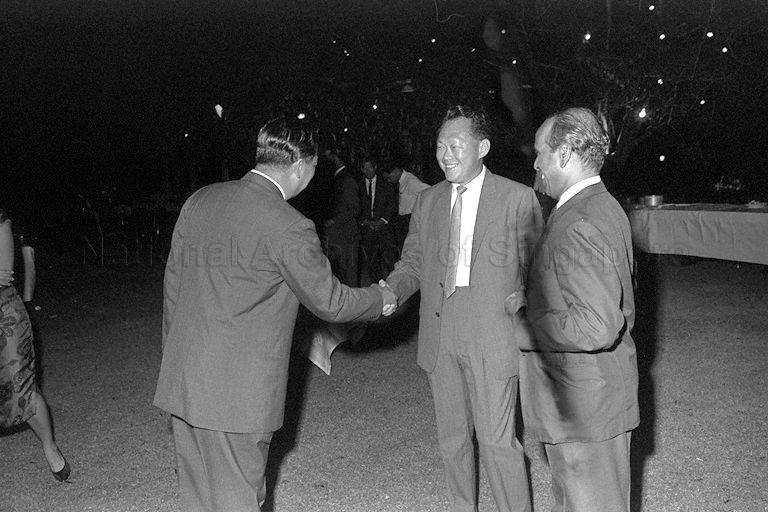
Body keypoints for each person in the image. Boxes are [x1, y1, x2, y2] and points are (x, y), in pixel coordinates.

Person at [153, 117, 397, 512]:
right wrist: (378, 298)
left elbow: (172, 291)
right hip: (236, 398)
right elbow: (330, 301)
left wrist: (175, 362)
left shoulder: (200, 200)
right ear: (302, 167)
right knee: (239, 502)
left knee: (197, 501)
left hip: (184, 382)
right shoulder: (289, 225)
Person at [383, 105, 543, 512]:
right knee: (452, 440)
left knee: (497, 442)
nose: (446, 154)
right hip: (441, 331)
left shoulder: (518, 198)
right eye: (440, 146)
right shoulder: (428, 201)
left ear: (483, 147)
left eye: (455, 145)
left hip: (493, 332)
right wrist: (388, 293)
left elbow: (538, 275)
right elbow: (414, 264)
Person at [518, 107, 639, 512]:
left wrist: (523, 324)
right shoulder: (593, 206)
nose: (536, 164)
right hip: (582, 406)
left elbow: (597, 325)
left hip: (585, 411)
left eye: (540, 153)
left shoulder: (580, 220)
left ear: (565, 154)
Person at [0, 210, 71, 482]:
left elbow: (3, 274)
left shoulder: (1, 220)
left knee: (22, 388)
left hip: (4, 317)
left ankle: (49, 445)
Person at [323, 147, 361, 287]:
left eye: (328, 158)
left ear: (336, 159)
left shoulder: (347, 179)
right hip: (337, 237)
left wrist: (333, 220)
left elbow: (354, 208)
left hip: (346, 238)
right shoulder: (335, 178)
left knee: (349, 279)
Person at [358, 154, 398, 285]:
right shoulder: (358, 186)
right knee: (371, 262)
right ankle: (377, 288)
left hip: (384, 228)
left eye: (370, 168)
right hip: (367, 230)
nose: (368, 171)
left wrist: (382, 221)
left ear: (375, 167)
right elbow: (356, 207)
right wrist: (365, 222)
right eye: (365, 168)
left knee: (389, 260)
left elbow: (392, 205)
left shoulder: (386, 184)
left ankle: (393, 286)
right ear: (362, 169)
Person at [382, 162, 430, 252]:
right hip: (403, 220)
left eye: (389, 177)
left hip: (410, 218)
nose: (389, 180)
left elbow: (430, 191)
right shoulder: (402, 181)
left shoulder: (411, 181)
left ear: (395, 171)